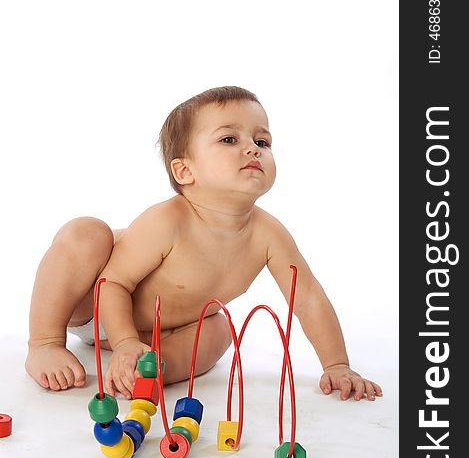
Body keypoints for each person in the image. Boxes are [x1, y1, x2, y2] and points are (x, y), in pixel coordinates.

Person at [26, 86, 382, 402]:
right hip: (90, 302)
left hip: (158, 332)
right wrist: (122, 342)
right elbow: (113, 283)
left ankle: (151, 370)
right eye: (230, 139)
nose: (252, 150)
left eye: (262, 141)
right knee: (86, 232)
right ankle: (43, 343)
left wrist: (337, 364)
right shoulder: (169, 220)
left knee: (218, 329)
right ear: (184, 172)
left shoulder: (269, 235)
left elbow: (307, 297)